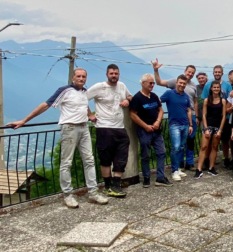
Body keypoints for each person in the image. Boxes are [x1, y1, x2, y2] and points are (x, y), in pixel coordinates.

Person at [7, 68, 108, 208]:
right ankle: (68, 195)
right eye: (78, 76)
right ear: (73, 78)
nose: (81, 78)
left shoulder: (84, 92)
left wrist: (90, 115)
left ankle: (93, 192)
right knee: (67, 163)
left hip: (84, 128)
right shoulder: (64, 90)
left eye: (83, 76)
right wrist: (24, 120)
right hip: (70, 128)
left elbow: (83, 106)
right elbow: (46, 105)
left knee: (89, 160)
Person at [87, 64, 132, 198]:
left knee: (121, 156)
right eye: (111, 73)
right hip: (104, 127)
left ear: (119, 74)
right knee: (105, 158)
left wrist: (127, 101)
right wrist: (89, 115)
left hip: (120, 127)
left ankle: (116, 184)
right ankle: (107, 186)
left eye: (116, 73)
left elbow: (130, 96)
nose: (114, 76)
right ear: (107, 74)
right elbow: (82, 99)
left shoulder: (122, 86)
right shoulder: (99, 87)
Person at [152, 59, 198, 171]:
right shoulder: (175, 81)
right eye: (189, 71)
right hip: (177, 116)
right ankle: (179, 164)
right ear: (185, 71)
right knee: (178, 144)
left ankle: (190, 162)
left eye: (192, 72)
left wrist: (196, 115)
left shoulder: (193, 86)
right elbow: (159, 82)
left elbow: (195, 101)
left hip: (190, 114)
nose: (190, 74)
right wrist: (156, 70)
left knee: (190, 140)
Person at [129, 74, 173, 187]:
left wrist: (158, 122)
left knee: (161, 152)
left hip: (157, 130)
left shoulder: (153, 96)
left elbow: (160, 110)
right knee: (145, 155)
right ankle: (146, 177)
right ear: (143, 83)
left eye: (153, 83)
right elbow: (133, 115)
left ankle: (160, 177)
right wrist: (145, 126)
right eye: (150, 83)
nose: (152, 85)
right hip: (144, 131)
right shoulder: (137, 98)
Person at [160, 74, 193, 181]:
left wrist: (190, 124)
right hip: (174, 125)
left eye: (184, 83)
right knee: (176, 147)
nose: (182, 85)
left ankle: (178, 168)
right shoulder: (169, 93)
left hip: (185, 124)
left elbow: (188, 110)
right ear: (176, 83)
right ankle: (174, 170)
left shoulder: (186, 96)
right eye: (180, 83)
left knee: (182, 147)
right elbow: (158, 101)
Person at [201, 65, 233, 168]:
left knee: (223, 141)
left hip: (224, 117)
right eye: (216, 72)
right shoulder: (207, 85)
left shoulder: (227, 86)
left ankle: (225, 158)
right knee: (208, 142)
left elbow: (229, 99)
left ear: (222, 73)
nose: (217, 73)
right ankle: (206, 160)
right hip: (210, 118)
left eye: (219, 72)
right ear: (213, 73)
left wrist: (226, 110)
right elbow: (204, 100)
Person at [195, 81, 226, 178]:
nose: (216, 89)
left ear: (220, 89)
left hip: (217, 127)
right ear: (211, 89)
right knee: (204, 147)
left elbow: (224, 116)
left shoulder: (223, 101)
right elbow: (204, 115)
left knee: (214, 147)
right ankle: (199, 169)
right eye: (214, 87)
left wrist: (220, 130)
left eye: (218, 87)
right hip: (208, 126)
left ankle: (211, 167)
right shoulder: (206, 100)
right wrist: (206, 128)